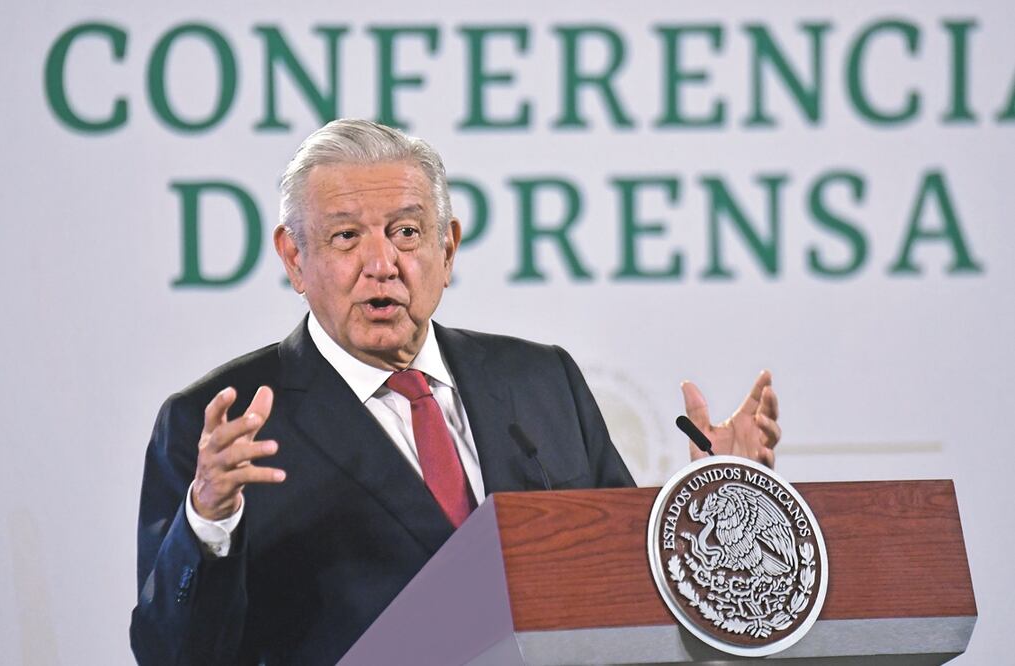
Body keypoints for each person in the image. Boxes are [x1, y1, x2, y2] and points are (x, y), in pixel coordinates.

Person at [130, 119, 781, 665]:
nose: (382, 263)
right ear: (295, 258)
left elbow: (619, 593)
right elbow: (171, 653)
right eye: (347, 236)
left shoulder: (539, 381)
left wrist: (715, 502)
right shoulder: (222, 426)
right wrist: (208, 518)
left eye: (407, 232)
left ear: (448, 247)